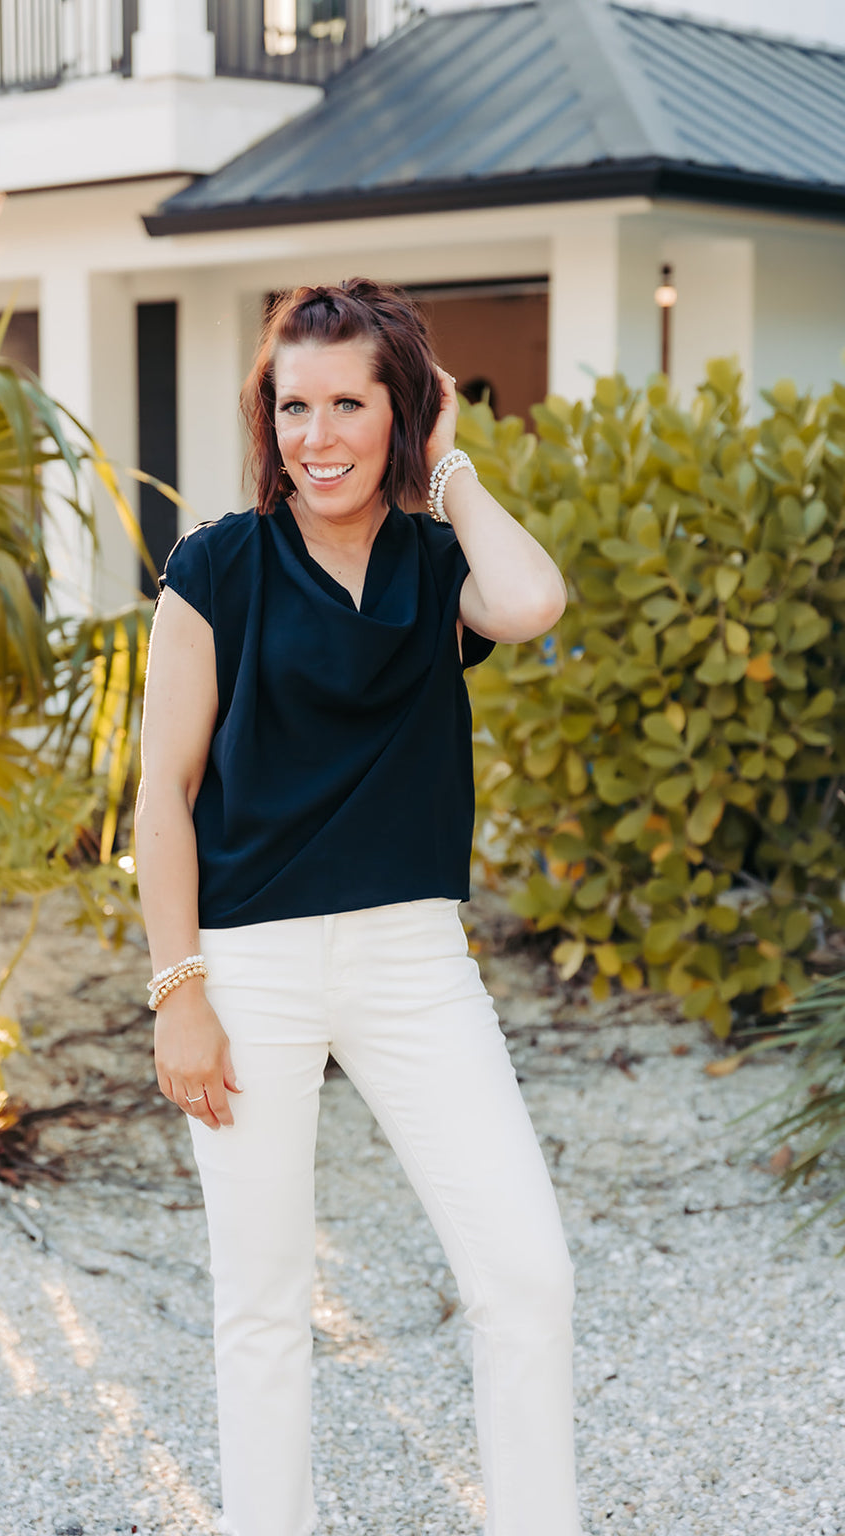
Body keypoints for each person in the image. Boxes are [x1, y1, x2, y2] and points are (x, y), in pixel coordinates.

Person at [134, 278, 580, 1536]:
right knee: (264, 1304)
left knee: (526, 1276)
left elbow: (533, 605)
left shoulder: (442, 567)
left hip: (414, 963)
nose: (316, 436)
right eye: (292, 407)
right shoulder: (216, 566)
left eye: (348, 404)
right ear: (264, 419)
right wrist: (181, 994)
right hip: (250, 966)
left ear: (404, 414)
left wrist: (452, 474)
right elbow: (162, 799)